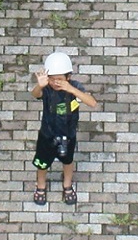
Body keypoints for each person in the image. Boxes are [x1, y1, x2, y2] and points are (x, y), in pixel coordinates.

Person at [29, 49, 99, 206]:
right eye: (52, 79)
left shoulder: (74, 87)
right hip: (47, 134)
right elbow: (35, 95)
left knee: (67, 161)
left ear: (68, 77)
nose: (55, 83)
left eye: (60, 79)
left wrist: (71, 89)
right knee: (42, 162)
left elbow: (92, 102)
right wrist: (40, 86)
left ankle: (67, 185)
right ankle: (40, 185)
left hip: (68, 134)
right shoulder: (46, 88)